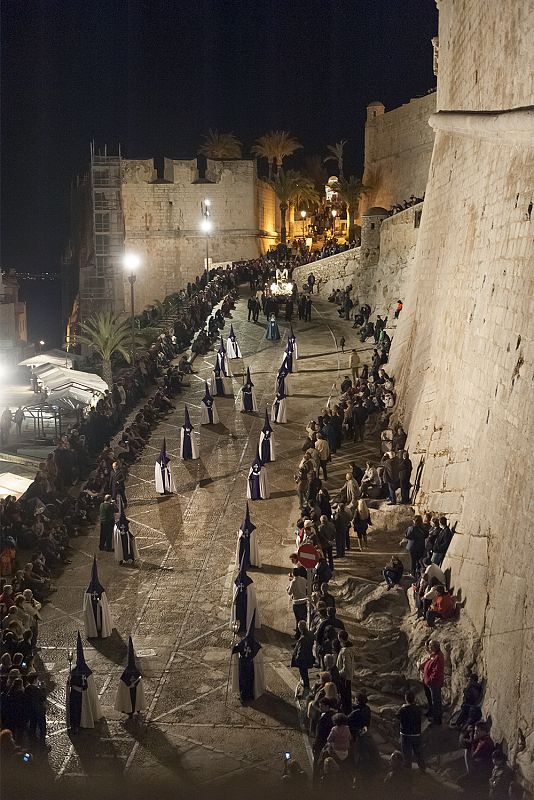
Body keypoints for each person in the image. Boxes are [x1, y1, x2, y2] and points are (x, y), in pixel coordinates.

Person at [398, 690, 425, 770]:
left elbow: (397, 716)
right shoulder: (418, 709)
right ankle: (422, 768)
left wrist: (402, 707)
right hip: (416, 734)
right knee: (418, 752)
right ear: (414, 699)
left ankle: (408, 769)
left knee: (407, 753)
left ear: (406, 699)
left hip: (405, 734)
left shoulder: (403, 710)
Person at [420, 640, 445, 725]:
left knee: (436, 701)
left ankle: (436, 720)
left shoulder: (438, 657)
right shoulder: (435, 655)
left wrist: (430, 680)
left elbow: (436, 671)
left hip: (434, 683)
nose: (429, 647)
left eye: (431, 646)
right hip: (431, 682)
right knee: (434, 700)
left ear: (435, 647)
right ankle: (434, 716)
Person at [291, 620, 315, 693]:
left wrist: (297, 659)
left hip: (303, 659)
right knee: (305, 672)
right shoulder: (310, 634)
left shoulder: (303, 638)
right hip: (309, 655)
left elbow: (300, 651)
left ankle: (306, 686)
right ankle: (305, 684)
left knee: (303, 672)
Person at [25, 674, 48, 745]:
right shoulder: (36, 690)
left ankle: (33, 741)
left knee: (32, 726)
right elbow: (43, 697)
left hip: (31, 711)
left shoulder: (27, 689)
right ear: (35, 680)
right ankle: (42, 744)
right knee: (42, 728)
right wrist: (43, 688)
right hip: (39, 711)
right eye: (37, 679)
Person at [336, 630, 355, 714]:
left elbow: (346, 667)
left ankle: (346, 713)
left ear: (340, 638)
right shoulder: (349, 649)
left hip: (344, 678)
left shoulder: (345, 651)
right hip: (348, 677)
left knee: (345, 696)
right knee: (347, 696)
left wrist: (338, 673)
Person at [287, 569, 308, 638]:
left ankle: (298, 635)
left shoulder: (293, 582)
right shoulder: (303, 579)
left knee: (298, 619)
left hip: (297, 603)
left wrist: (288, 588)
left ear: (293, 574)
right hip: (304, 601)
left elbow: (289, 592)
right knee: (303, 618)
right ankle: (299, 630)